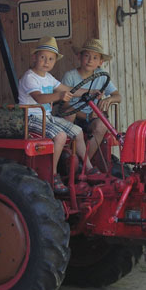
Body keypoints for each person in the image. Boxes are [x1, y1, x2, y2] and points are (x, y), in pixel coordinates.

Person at [18, 36, 99, 194]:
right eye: (43, 57)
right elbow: (40, 98)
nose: (46, 62)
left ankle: (88, 168)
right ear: (35, 57)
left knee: (78, 131)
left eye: (50, 59)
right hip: (31, 117)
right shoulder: (29, 77)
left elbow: (68, 89)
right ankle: (53, 175)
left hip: (46, 117)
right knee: (61, 136)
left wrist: (90, 92)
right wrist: (59, 96)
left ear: (55, 62)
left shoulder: (48, 77)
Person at [62, 38, 122, 160]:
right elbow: (64, 105)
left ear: (100, 62)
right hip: (74, 116)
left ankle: (84, 164)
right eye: (87, 56)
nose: (90, 60)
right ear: (79, 56)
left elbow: (118, 96)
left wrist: (108, 100)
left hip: (92, 119)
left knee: (102, 125)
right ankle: (65, 156)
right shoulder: (70, 76)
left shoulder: (102, 76)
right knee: (69, 115)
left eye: (95, 58)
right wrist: (85, 116)